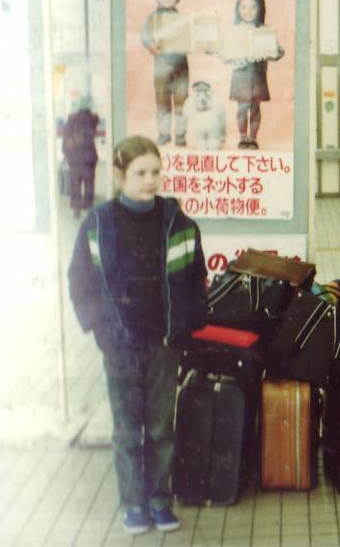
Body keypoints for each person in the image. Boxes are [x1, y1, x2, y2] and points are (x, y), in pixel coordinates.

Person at [68, 136, 207, 535]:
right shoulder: (98, 223)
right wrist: (101, 330)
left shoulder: (178, 223)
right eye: (140, 173)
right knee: (127, 428)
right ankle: (134, 504)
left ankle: (161, 501)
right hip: (120, 346)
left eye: (156, 171)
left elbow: (197, 278)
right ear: (120, 175)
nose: (151, 180)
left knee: (162, 427)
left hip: (164, 344)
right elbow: (80, 282)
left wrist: (186, 325)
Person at [229, 0, 285, 150]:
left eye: (253, 7)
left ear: (260, 9)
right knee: (241, 108)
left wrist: (274, 51)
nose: (248, 11)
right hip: (240, 74)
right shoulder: (234, 30)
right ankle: (242, 137)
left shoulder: (265, 30)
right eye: (244, 7)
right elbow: (227, 53)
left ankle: (253, 138)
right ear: (237, 9)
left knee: (255, 108)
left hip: (258, 75)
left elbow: (279, 53)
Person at [140, 0, 189, 147]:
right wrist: (150, 45)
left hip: (181, 65)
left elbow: (193, 37)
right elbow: (145, 36)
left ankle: (181, 134)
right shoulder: (152, 18)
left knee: (182, 100)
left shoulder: (184, 18)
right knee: (162, 101)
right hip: (161, 65)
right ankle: (164, 133)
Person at [62, 97, 99, 218]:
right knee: (89, 182)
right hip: (89, 157)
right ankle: (88, 207)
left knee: (75, 183)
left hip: (75, 157)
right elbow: (95, 120)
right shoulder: (93, 118)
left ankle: (76, 209)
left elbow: (66, 138)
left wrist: (66, 154)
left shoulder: (71, 119)